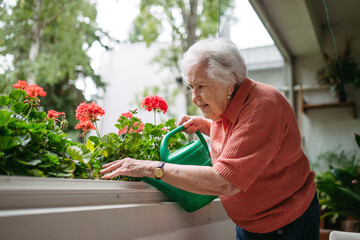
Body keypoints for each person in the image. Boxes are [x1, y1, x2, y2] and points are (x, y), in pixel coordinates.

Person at [100, 38, 320, 240]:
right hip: (252, 223)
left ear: (228, 81)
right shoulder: (230, 103)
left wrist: (152, 168)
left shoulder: (262, 108)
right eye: (191, 88)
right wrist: (205, 124)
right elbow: (238, 135)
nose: (194, 97)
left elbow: (226, 181)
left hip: (284, 224)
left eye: (201, 87)